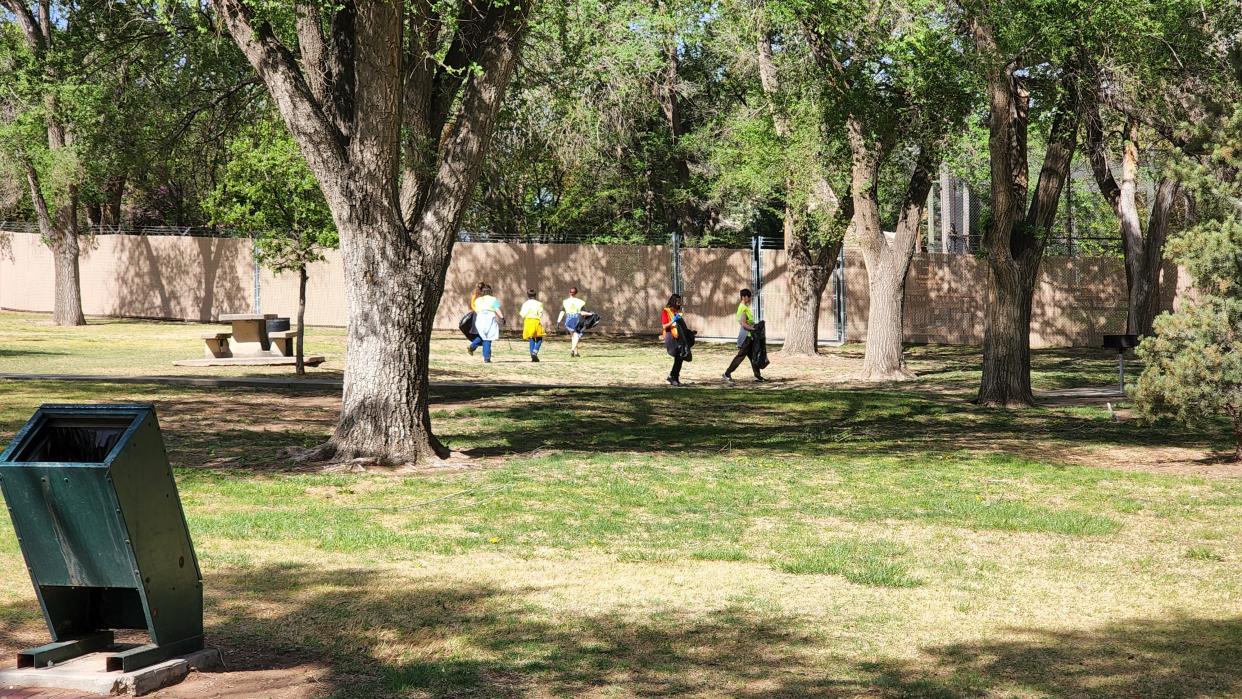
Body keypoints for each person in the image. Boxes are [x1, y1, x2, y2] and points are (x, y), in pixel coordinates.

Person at [723, 288, 767, 384]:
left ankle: (757, 376)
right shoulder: (742, 308)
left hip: (750, 336)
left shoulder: (745, 307)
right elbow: (743, 324)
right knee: (740, 356)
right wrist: (754, 329)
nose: (750, 299)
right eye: (749, 297)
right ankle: (727, 373)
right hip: (746, 337)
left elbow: (747, 322)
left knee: (753, 357)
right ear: (743, 297)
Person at [468, 283, 503, 363]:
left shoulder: (478, 300)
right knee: (488, 338)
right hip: (490, 318)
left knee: (482, 335)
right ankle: (486, 357)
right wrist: (502, 317)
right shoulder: (493, 299)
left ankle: (472, 346)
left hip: (480, 318)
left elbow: (476, 309)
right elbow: (497, 309)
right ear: (490, 292)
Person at [557, 287, 595, 357]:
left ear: (569, 292)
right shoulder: (580, 302)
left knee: (573, 336)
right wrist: (591, 314)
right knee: (576, 336)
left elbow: (562, 312)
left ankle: (576, 352)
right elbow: (582, 312)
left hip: (568, 320)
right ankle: (572, 350)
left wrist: (558, 321)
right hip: (577, 320)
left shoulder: (565, 302)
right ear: (576, 293)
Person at [660, 293, 687, 386]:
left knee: (681, 357)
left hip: (678, 337)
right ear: (673, 301)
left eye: (680, 302)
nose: (679, 303)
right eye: (677, 301)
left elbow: (680, 325)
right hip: (670, 336)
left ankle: (675, 377)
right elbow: (664, 326)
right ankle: (672, 377)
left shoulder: (677, 311)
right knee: (678, 356)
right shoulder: (666, 311)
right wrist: (673, 320)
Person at [519, 289, 546, 362]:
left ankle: (532, 355)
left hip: (528, 321)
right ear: (535, 295)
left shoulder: (525, 304)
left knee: (531, 338)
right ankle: (535, 351)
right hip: (536, 320)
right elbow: (540, 313)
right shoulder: (539, 303)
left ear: (528, 295)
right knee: (539, 337)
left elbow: (522, 314)